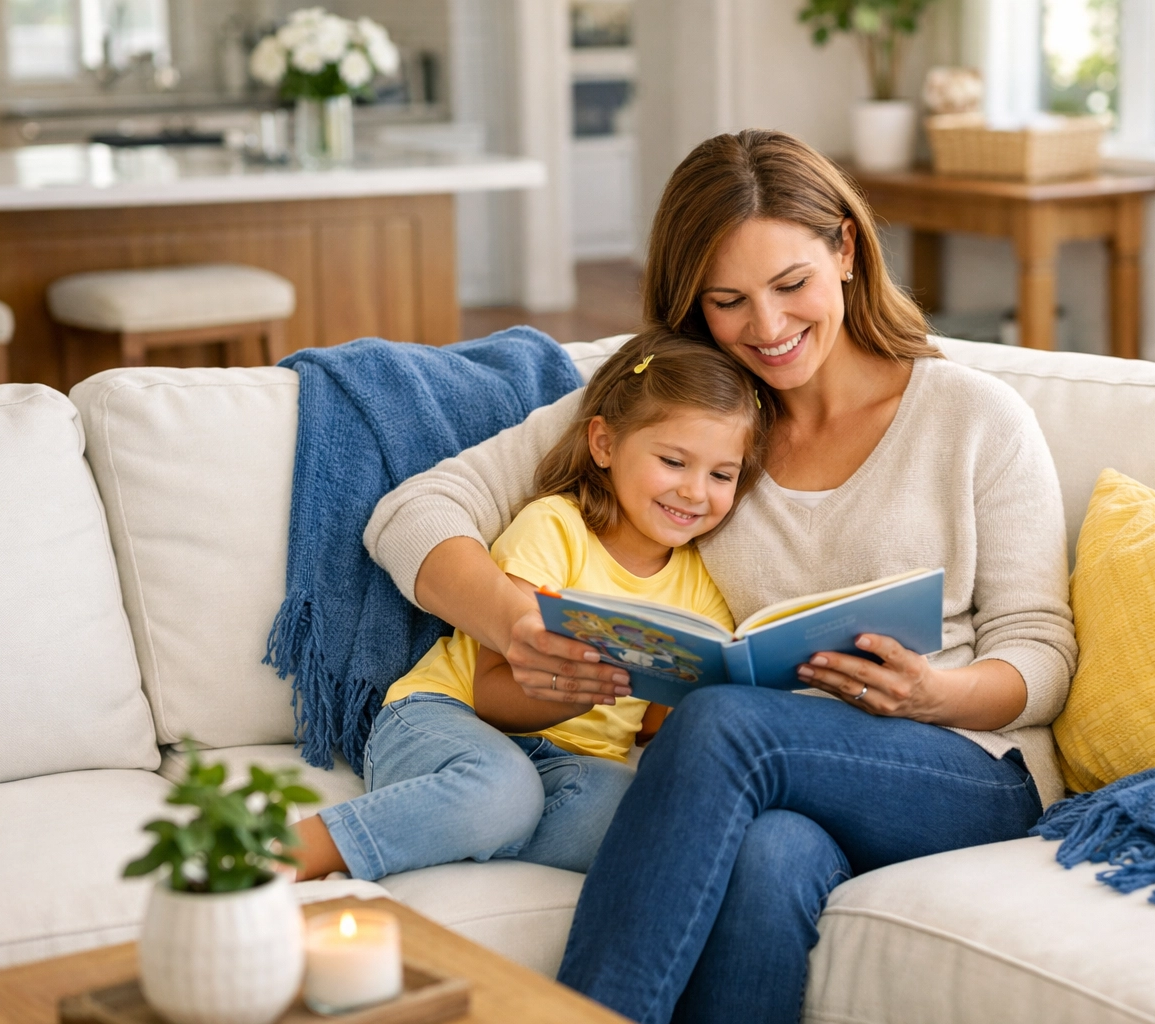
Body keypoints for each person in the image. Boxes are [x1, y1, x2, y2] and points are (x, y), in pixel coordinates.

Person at [363, 129, 1078, 1024]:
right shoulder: (691, 418)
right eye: (729, 301)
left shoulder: (975, 418)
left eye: (791, 287)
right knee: (768, 857)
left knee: (725, 724)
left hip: (963, 769)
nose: (768, 330)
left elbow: (1043, 649)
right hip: (767, 785)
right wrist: (514, 619)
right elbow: (413, 513)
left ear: (845, 252)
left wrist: (936, 692)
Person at [289, 331, 769, 882]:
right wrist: (573, 693)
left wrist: (702, 694)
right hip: (446, 719)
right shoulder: (556, 528)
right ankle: (302, 846)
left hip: (571, 767)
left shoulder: (702, 590)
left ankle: (459, 828)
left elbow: (647, 730)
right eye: (673, 461)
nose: (694, 492)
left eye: (722, 475)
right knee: (504, 790)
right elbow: (492, 693)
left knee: (646, 814)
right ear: (605, 445)